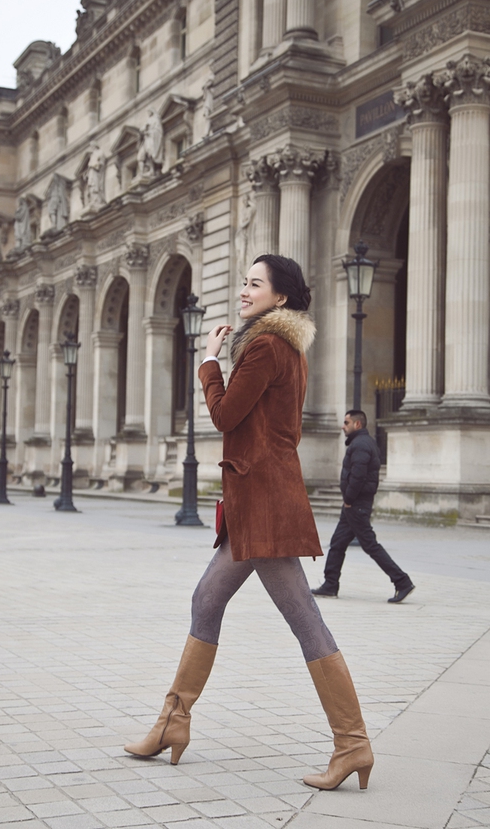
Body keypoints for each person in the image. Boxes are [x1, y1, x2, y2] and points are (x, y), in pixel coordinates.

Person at [124, 254, 374, 792]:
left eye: (255, 284)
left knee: (303, 615)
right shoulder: (282, 344)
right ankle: (172, 722)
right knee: (206, 600)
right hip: (258, 498)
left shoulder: (264, 345)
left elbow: (225, 415)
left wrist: (210, 361)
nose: (244, 290)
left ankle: (352, 744)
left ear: (280, 297)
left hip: (262, 500)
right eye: (244, 282)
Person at [312, 411, 415, 604]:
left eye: (346, 422)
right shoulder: (362, 443)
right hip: (355, 504)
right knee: (337, 543)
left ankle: (402, 581)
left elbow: (358, 476)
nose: (343, 426)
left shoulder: (360, 445)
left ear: (357, 424)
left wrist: (349, 498)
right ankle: (330, 584)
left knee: (370, 545)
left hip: (356, 504)